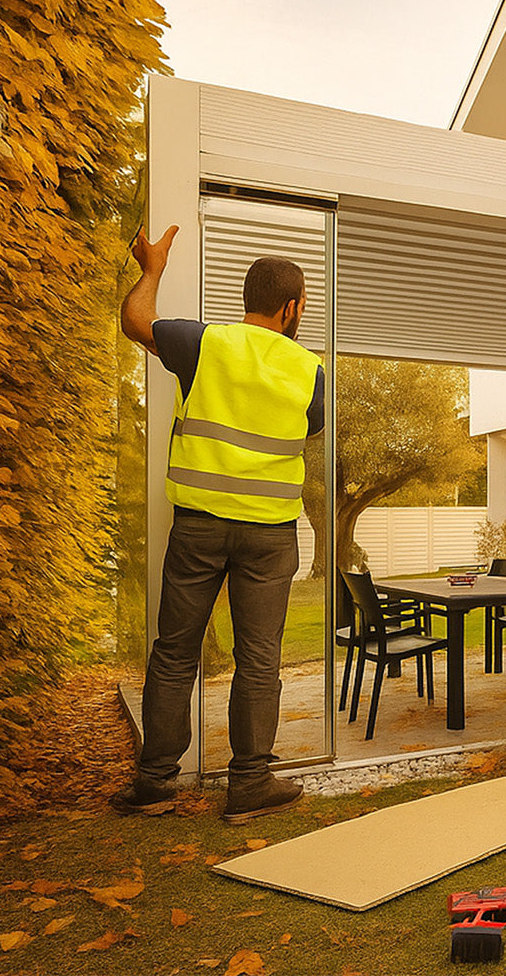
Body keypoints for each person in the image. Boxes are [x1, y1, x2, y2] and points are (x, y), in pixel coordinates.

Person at [112, 224, 325, 824]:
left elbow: (135, 321)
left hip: (199, 527)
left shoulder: (204, 343)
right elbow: (309, 429)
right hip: (270, 534)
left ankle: (155, 783)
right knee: (261, 657)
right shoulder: (310, 371)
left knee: (175, 653)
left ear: (246, 301)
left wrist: (152, 268)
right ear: (292, 307)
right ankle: (248, 786)